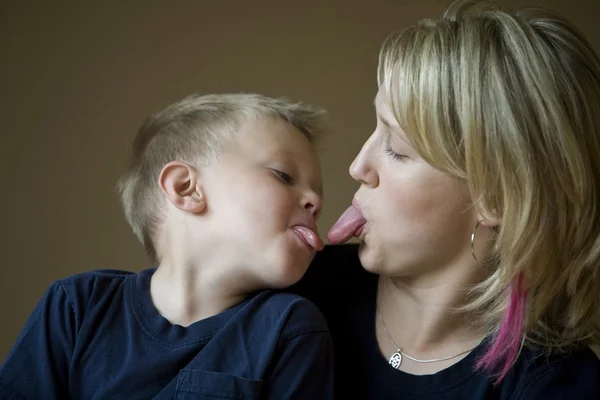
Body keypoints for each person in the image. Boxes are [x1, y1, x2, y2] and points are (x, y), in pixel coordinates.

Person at [294, 0, 600, 398]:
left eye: (397, 149)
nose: (358, 166)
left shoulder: (553, 384)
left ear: (496, 199)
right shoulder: (297, 294)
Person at [0, 93, 334, 399]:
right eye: (284, 176)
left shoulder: (289, 328)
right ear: (185, 188)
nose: (316, 202)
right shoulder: (77, 307)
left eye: (318, 191)